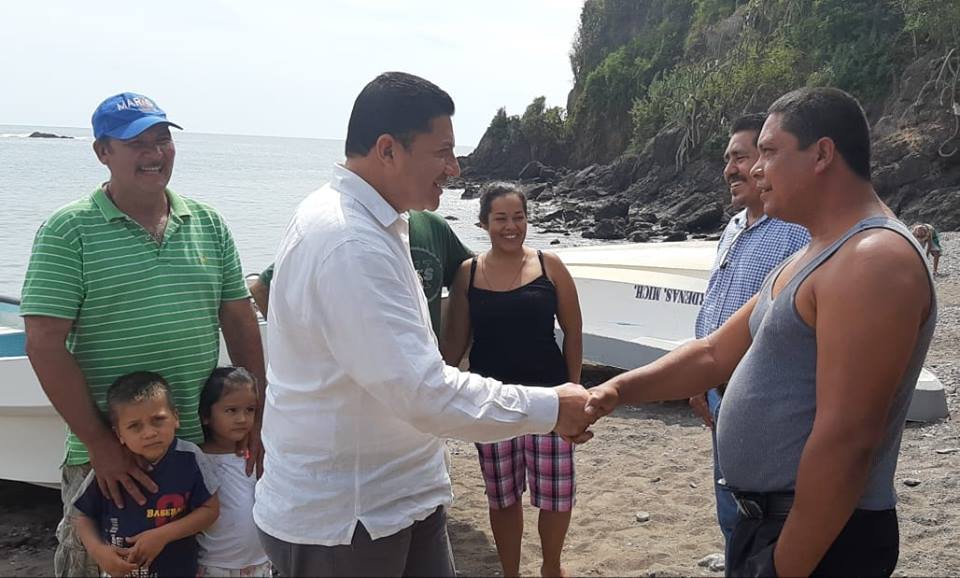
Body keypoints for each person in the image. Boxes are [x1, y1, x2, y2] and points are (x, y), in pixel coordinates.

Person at [253, 72, 594, 577]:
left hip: (402, 499)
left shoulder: (379, 223)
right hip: (349, 521)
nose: (454, 169)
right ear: (388, 150)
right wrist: (551, 406)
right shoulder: (349, 242)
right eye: (443, 152)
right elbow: (422, 390)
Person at [586, 87, 936, 577]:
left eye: (769, 152)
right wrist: (617, 389)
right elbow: (712, 354)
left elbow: (847, 440)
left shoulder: (872, 261)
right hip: (770, 525)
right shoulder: (813, 252)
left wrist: (785, 565)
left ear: (822, 154)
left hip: (822, 536)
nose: (754, 169)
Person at [20, 92, 265, 577]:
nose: (155, 154)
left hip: (197, 451)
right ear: (103, 152)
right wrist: (101, 445)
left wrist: (257, 415)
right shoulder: (69, 230)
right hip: (110, 457)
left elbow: (239, 320)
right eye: (137, 143)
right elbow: (44, 343)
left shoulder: (209, 224)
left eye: (163, 139)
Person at [441, 182, 583, 578]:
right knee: (502, 497)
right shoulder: (468, 273)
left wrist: (575, 391)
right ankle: (510, 572)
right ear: (484, 222)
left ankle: (551, 567)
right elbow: (454, 344)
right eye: (501, 218)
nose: (511, 226)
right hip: (492, 403)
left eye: (518, 217)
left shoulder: (549, 263)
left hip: (550, 401)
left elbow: (573, 331)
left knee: (555, 495)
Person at [687, 114, 809, 561]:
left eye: (741, 157)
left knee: (763, 513)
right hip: (720, 394)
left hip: (766, 400)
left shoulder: (798, 233)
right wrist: (700, 379)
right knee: (728, 507)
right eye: (728, 159)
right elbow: (715, 307)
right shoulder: (735, 226)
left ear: (767, 162)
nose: (731, 169)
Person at [72, 372, 220, 578]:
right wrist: (98, 552)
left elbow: (210, 510)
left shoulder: (190, 458)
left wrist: (163, 535)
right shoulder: (110, 467)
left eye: (158, 420)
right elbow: (83, 516)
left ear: (175, 417)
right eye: (135, 426)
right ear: (119, 434)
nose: (149, 433)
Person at [247, 208, 472, 338]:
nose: (452, 168)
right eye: (439, 153)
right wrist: (303, 348)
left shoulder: (432, 225)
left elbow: (473, 272)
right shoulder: (343, 227)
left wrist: (451, 352)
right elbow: (262, 288)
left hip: (422, 381)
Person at [197, 367, 272, 578]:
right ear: (206, 415)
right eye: (231, 410)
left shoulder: (259, 453)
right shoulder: (197, 457)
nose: (242, 418)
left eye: (250, 410)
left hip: (261, 563)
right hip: (214, 565)